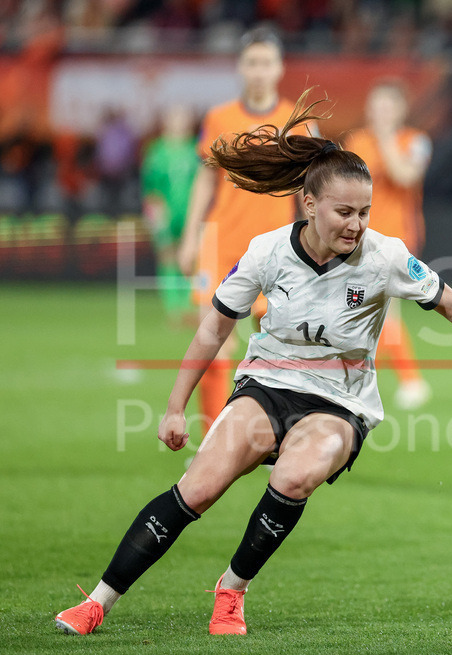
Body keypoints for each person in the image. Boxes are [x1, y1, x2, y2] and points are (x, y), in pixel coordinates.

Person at [53, 92, 452, 637]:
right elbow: (214, 327)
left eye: (364, 212)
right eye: (345, 212)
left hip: (341, 402)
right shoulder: (267, 251)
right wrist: (175, 406)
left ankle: (231, 591)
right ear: (309, 203)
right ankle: (99, 601)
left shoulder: (385, 256)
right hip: (266, 385)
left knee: (295, 476)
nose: (357, 224)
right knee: (198, 489)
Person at [178, 27, 304, 434]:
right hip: (221, 243)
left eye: (266, 62)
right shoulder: (219, 118)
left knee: (279, 350)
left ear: (280, 67)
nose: (259, 70)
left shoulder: (298, 122)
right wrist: (190, 235)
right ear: (240, 67)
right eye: (252, 62)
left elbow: (309, 189)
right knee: (213, 344)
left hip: (278, 251)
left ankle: (273, 435)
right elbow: (205, 180)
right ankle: (212, 440)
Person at [344, 81, 433, 410]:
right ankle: (404, 381)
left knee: (381, 310)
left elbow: (405, 176)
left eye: (387, 107)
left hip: (396, 237)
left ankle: (406, 381)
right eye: (375, 106)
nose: (380, 113)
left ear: (400, 110)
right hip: (356, 237)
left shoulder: (416, 141)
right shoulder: (355, 141)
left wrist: (384, 139)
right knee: (367, 311)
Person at [140, 104, 199, 324]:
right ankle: (173, 307)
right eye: (175, 118)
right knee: (168, 256)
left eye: (183, 119)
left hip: (190, 213)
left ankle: (190, 306)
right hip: (165, 213)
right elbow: (150, 187)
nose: (179, 123)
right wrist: (155, 214)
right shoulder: (156, 151)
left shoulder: (196, 149)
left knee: (191, 258)